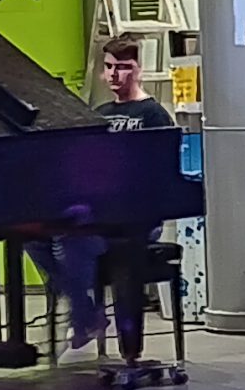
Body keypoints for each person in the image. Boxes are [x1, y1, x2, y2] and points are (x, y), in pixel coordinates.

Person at [45, 33, 179, 363]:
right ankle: (87, 311)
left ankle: (87, 318)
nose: (114, 74)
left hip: (136, 219)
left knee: (72, 242)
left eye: (123, 67)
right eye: (109, 67)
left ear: (139, 69)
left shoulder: (153, 115)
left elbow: (159, 175)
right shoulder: (100, 113)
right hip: (101, 213)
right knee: (37, 240)